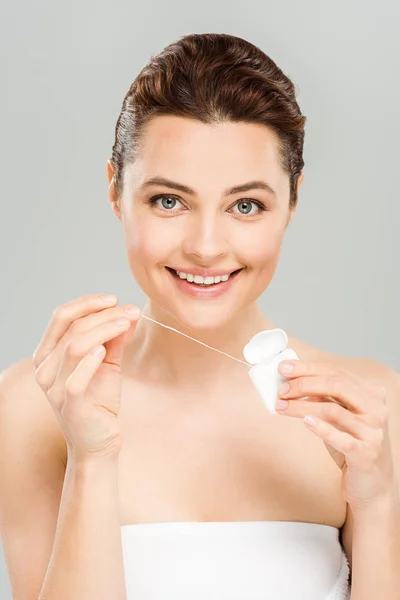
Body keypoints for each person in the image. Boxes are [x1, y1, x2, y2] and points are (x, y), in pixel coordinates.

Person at [1, 32, 399, 600]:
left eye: (246, 205)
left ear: (292, 201)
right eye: (169, 200)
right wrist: (93, 458)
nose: (207, 247)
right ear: (116, 191)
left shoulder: (370, 408)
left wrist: (378, 500)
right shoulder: (32, 406)